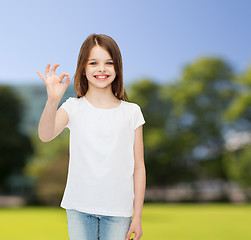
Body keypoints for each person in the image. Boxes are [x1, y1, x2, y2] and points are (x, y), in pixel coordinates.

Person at [37, 33, 146, 240]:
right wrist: (52, 101)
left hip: (118, 210)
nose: (101, 69)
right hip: (79, 207)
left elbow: (139, 167)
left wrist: (137, 217)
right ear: (83, 69)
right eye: (93, 63)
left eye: (109, 63)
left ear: (117, 68)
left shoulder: (132, 112)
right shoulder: (73, 107)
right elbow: (45, 135)